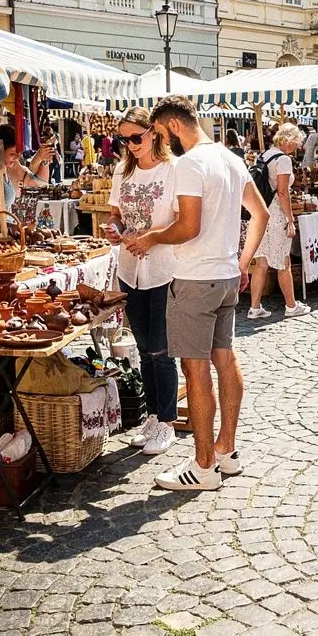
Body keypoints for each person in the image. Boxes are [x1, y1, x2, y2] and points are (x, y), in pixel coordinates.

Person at [129, 95, 269, 492]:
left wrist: (152, 237)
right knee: (224, 359)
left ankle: (204, 465)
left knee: (196, 369)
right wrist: (241, 262)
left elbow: (188, 227)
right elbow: (261, 214)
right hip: (224, 276)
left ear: (173, 126)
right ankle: (226, 450)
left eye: (157, 133)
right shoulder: (230, 158)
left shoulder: (190, 163)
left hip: (195, 278)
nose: (158, 141)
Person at [106, 108, 179, 456]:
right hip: (130, 268)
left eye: (137, 137)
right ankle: (152, 415)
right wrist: (115, 229)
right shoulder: (123, 170)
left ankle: (167, 421)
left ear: (154, 133)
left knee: (162, 349)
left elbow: (182, 220)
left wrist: (150, 236)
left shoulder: (174, 170)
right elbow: (116, 214)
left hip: (164, 268)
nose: (132, 145)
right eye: (125, 139)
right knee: (144, 349)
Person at [247, 124, 311, 321]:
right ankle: (291, 305)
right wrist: (290, 219)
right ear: (288, 141)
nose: (297, 147)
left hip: (260, 213)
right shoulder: (283, 160)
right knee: (284, 261)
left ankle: (254, 307)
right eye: (296, 142)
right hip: (275, 214)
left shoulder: (265, 155)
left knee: (262, 262)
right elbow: (283, 192)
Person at [0, 125, 51, 225]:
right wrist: (18, 228)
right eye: (12, 154)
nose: (16, 157)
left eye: (18, 153)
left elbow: (39, 182)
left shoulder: (4, 171)